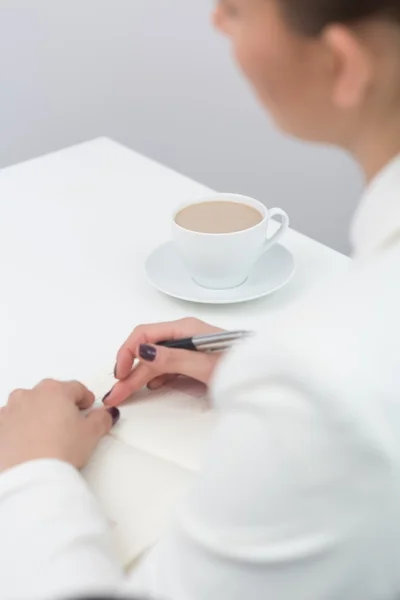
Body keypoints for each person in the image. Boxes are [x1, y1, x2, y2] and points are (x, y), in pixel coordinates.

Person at [1, 0, 400, 598]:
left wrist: (27, 472)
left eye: (237, 8)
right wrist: (261, 358)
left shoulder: (323, 378)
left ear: (343, 64)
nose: (216, 19)